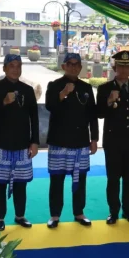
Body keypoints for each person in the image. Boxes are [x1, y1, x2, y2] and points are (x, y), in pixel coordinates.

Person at [0, 54, 39, 231]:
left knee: (21, 183)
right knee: (0, 183)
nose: (15, 69)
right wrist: (4, 101)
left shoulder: (28, 90)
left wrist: (35, 142)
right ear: (4, 68)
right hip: (2, 144)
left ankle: (20, 216)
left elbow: (34, 117)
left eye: (18, 66)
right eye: (11, 65)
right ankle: (0, 218)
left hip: (22, 144)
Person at [45, 53, 97, 228]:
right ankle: (55, 215)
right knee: (56, 180)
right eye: (70, 64)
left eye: (77, 64)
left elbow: (92, 115)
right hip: (59, 140)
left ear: (81, 67)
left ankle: (79, 213)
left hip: (80, 140)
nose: (73, 67)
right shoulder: (54, 85)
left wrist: (94, 138)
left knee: (80, 179)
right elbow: (49, 106)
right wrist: (63, 93)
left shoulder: (86, 87)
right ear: (64, 66)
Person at [97, 50, 129, 224]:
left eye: (127, 66)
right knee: (113, 179)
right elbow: (99, 114)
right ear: (114, 68)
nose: (124, 70)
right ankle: (113, 211)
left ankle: (128, 210)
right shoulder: (104, 88)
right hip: (113, 141)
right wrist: (109, 101)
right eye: (121, 66)